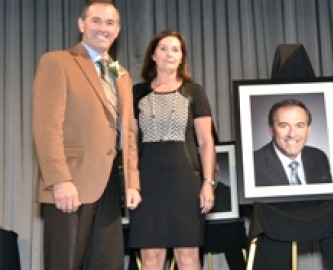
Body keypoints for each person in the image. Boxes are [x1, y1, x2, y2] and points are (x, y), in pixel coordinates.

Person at [31, 1, 141, 269]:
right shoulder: (58, 62)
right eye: (96, 21)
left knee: (108, 264)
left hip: (111, 186)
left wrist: (132, 182)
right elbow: (46, 127)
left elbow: (128, 132)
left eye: (110, 23)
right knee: (65, 263)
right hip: (72, 184)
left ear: (118, 30)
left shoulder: (121, 73)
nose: (103, 28)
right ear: (82, 25)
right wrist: (60, 180)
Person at [129, 30, 216, 270]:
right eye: (164, 48)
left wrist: (208, 182)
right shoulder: (137, 93)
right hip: (146, 184)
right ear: (153, 56)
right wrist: (130, 182)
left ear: (181, 58)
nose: (170, 54)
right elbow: (130, 140)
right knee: (151, 258)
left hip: (185, 183)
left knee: (187, 256)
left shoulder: (194, 91)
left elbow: (206, 141)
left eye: (175, 49)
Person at [254, 99, 332, 186]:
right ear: (271, 130)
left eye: (299, 126)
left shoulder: (319, 157)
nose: (292, 134)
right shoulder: (253, 164)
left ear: (308, 130)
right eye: (284, 126)